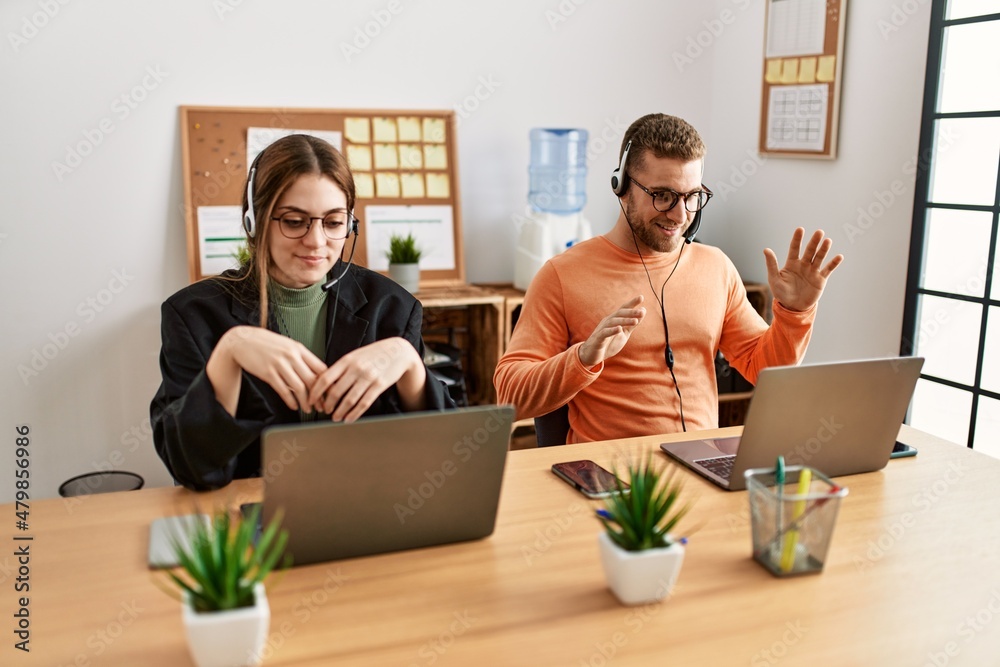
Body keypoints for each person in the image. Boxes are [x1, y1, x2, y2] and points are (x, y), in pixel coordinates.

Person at [494, 113, 843, 444]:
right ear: (622, 186)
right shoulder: (562, 275)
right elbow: (510, 395)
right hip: (614, 482)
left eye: (693, 197)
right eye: (663, 196)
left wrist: (794, 315)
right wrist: (583, 357)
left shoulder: (716, 267)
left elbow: (764, 368)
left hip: (702, 470)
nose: (680, 215)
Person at [152, 134, 454, 490]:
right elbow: (191, 469)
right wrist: (229, 353)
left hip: (369, 509)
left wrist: (409, 365)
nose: (316, 241)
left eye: (333, 222)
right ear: (255, 221)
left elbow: (446, 457)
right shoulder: (193, 315)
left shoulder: (392, 307)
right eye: (294, 221)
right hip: (251, 520)